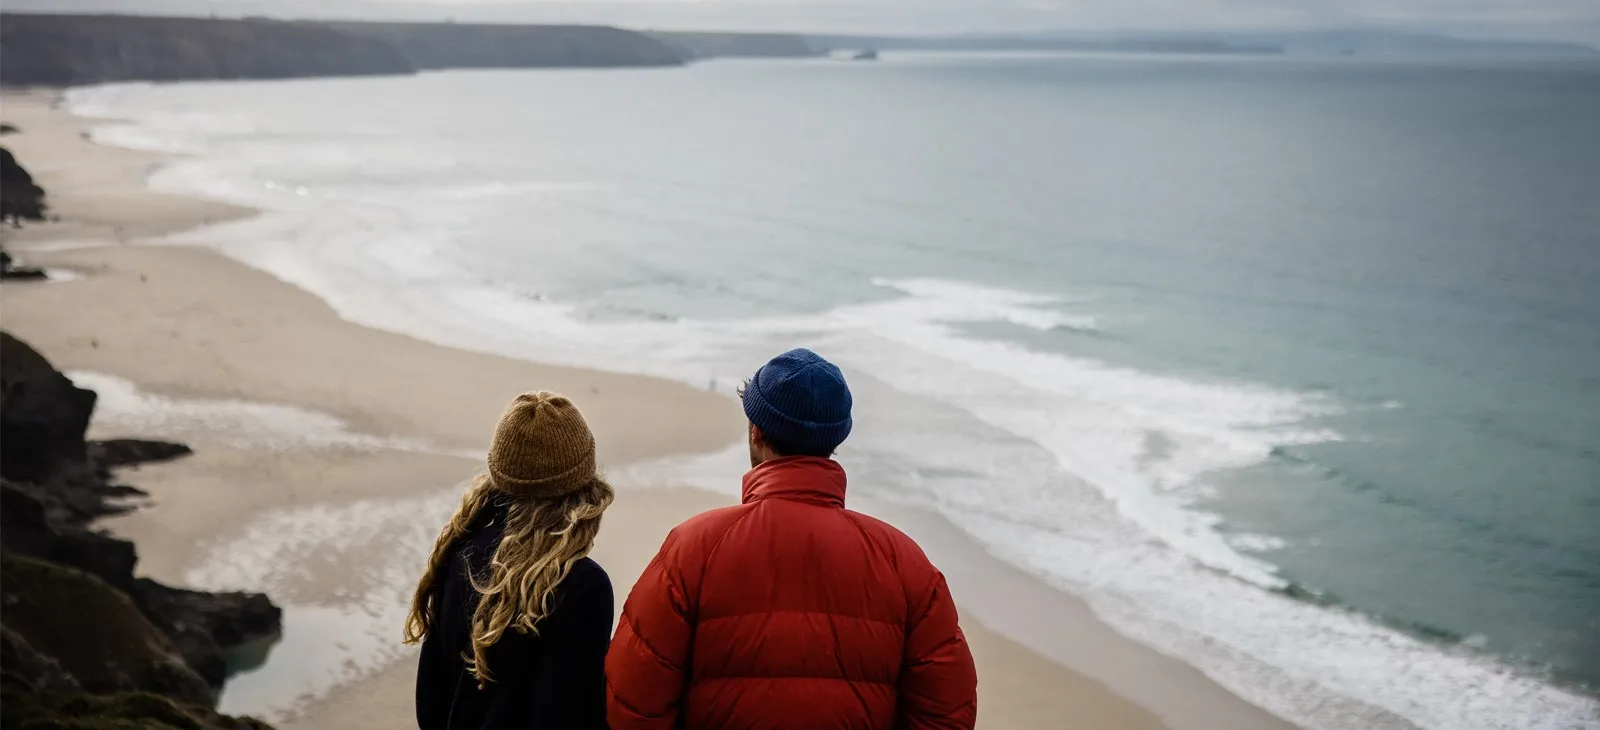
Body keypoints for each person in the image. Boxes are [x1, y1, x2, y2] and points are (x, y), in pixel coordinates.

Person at [606, 348, 978, 729]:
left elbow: (635, 701)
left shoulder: (694, 547)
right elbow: (946, 712)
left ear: (756, 431)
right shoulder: (903, 562)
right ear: (835, 440)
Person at [406, 392, 615, 730]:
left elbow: (430, 700)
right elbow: (573, 713)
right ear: (583, 486)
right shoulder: (582, 585)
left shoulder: (460, 555)